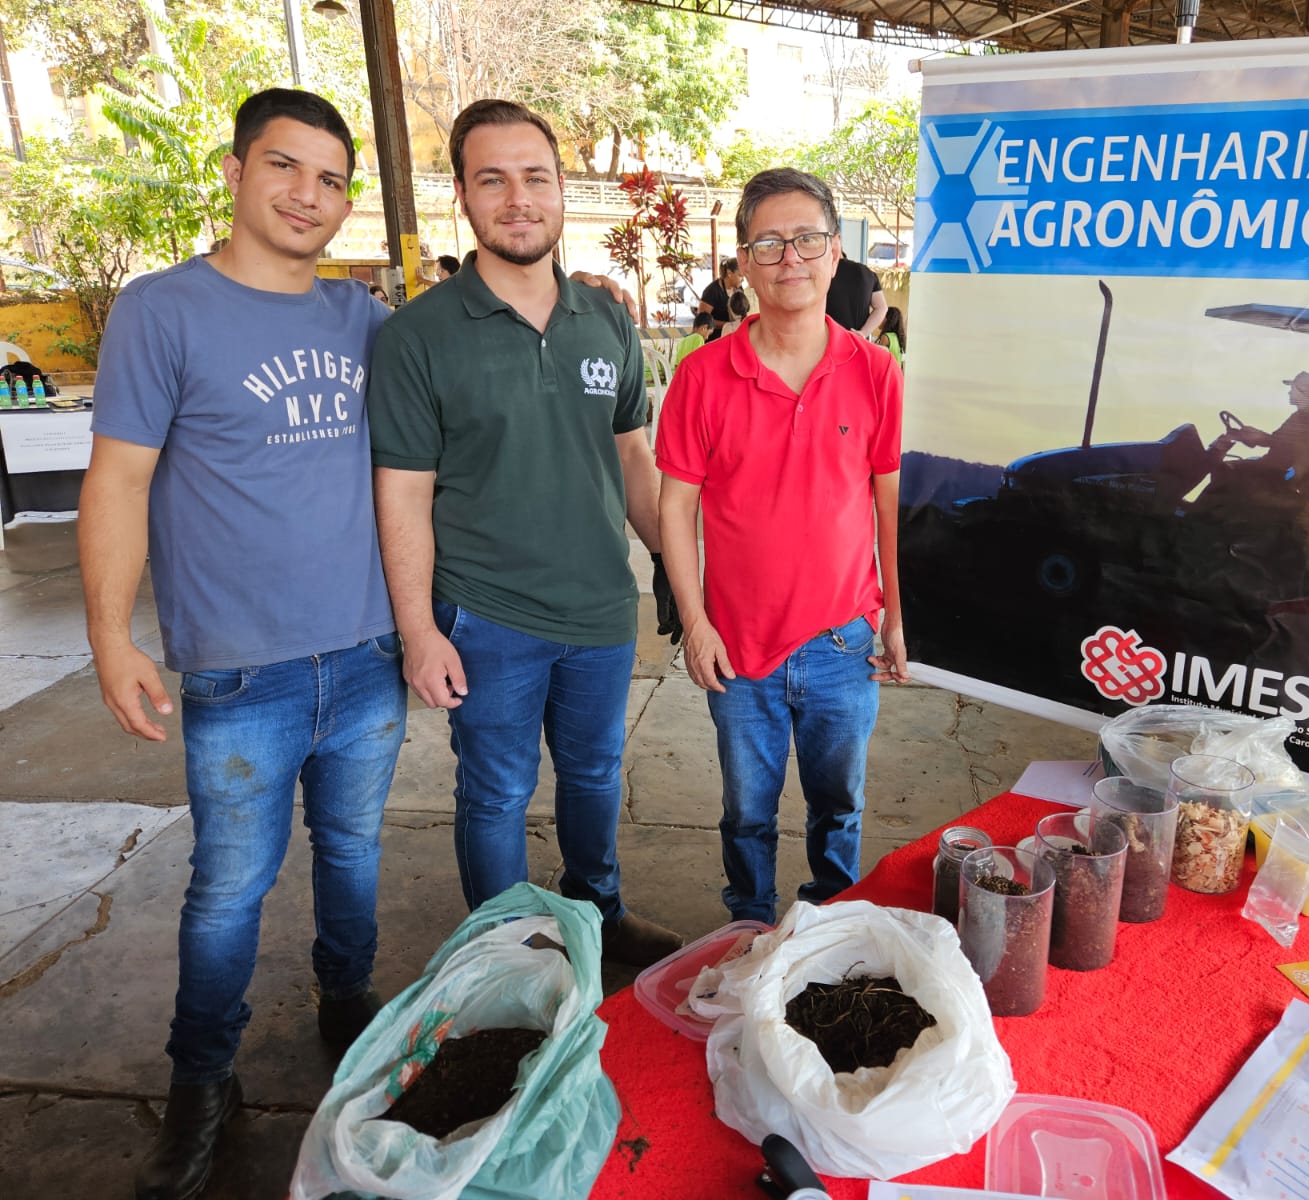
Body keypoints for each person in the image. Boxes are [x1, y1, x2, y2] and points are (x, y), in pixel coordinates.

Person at [80, 88, 408, 1200]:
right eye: (284, 166)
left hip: (366, 655)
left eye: (330, 179)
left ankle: (346, 1004)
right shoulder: (161, 311)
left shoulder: (363, 319)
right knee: (227, 889)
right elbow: (118, 481)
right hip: (239, 672)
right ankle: (202, 1079)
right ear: (234, 170)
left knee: (353, 854)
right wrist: (110, 634)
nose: (307, 194)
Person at [368, 98, 685, 966]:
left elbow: (631, 455)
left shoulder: (606, 320)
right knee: (497, 792)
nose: (518, 199)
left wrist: (673, 562)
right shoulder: (418, 336)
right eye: (493, 180)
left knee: (594, 775)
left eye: (535, 177)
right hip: (487, 616)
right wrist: (420, 631)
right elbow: (402, 494)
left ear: (561, 191)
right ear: (463, 197)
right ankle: (504, 954)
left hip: (600, 609)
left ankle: (600, 913)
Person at [656, 167, 907, 924]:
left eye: (807, 239)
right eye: (768, 243)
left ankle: (832, 922)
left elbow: (889, 508)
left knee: (840, 806)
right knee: (746, 813)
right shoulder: (702, 376)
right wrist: (695, 623)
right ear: (743, 262)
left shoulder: (876, 372)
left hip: (843, 643)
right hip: (738, 649)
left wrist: (896, 617)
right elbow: (676, 508)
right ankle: (749, 926)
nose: (789, 257)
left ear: (836, 254)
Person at [1230, 371, 1309, 475]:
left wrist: (1259, 437)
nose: (1289, 392)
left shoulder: (1308, 417)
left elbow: (1287, 446)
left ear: (1304, 390)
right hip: (1275, 467)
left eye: (1292, 389)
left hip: (1275, 470)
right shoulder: (1306, 415)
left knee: (1228, 469)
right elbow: (1279, 440)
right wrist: (1253, 436)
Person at [825, 247, 887, 339]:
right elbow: (882, 307)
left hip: (830, 339)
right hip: (858, 341)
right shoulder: (868, 273)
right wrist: (863, 332)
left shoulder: (824, 274)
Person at [698, 255, 743, 340]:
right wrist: (728, 325)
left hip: (732, 337)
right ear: (729, 273)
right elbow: (702, 320)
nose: (743, 279)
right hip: (714, 339)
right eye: (740, 276)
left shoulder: (739, 289)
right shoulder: (712, 291)